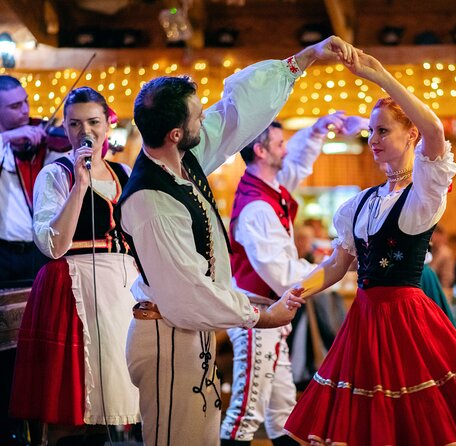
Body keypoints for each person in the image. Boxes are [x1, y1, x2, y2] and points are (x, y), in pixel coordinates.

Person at [116, 36, 359, 446]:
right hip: (167, 334)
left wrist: (304, 59)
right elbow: (188, 290)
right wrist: (260, 317)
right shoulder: (150, 200)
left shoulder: (181, 159)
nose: (204, 118)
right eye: (196, 117)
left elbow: (232, 115)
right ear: (176, 133)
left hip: (189, 334)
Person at [282, 51, 456, 445]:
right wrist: (297, 292)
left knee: (412, 424)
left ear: (410, 135)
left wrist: (382, 78)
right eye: (370, 132)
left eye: (383, 131)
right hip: (365, 318)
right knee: (368, 426)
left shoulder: (423, 191)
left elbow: (435, 131)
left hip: (405, 318)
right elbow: (339, 263)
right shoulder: (360, 203)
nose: (373, 141)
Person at [220, 112, 366, 445]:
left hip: (270, 316)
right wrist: (335, 266)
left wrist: (317, 130)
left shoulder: (269, 188)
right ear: (260, 151)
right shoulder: (257, 207)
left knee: (282, 409)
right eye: (279, 143)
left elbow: (296, 165)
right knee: (246, 411)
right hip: (256, 317)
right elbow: (283, 275)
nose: (285, 149)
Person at [9, 87, 140, 445]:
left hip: (119, 292)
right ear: (65, 129)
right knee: (72, 405)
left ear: (107, 124)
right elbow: (53, 245)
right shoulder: (56, 175)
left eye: (94, 122)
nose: (87, 131)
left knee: (108, 403)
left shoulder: (124, 171)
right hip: (71, 288)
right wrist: (79, 186)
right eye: (75, 123)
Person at [0, 75, 59, 287]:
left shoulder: (44, 136)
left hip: (39, 251)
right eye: (15, 106)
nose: (25, 110)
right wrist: (7, 137)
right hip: (3, 253)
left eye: (26, 101)